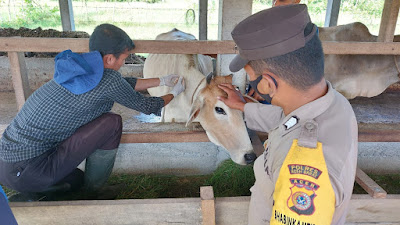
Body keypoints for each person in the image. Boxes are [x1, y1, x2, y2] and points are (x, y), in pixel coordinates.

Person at [0, 23, 185, 200]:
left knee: (75, 180)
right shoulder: (110, 79)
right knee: (111, 122)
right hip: (28, 168)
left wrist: (161, 80)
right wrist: (174, 94)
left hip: (7, 166)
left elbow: (123, 85)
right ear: (110, 58)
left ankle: (38, 193)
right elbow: (148, 106)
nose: (125, 62)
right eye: (124, 58)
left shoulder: (80, 66)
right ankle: (92, 193)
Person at [218, 5, 358, 225]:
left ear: (267, 83)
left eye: (250, 76)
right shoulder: (333, 102)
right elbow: (288, 121)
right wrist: (244, 107)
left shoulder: (303, 171)